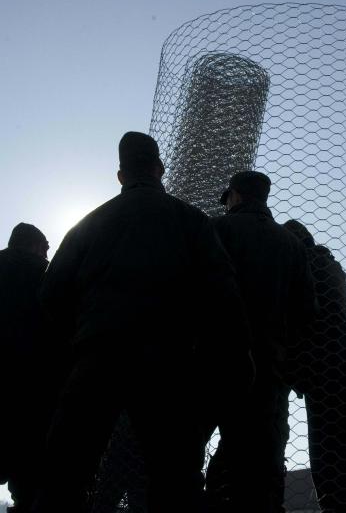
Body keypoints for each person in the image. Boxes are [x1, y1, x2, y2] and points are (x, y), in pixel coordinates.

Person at [33, 132, 247, 513]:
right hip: (167, 360)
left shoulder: (89, 224)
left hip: (98, 356)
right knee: (175, 476)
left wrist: (80, 341)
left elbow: (51, 295)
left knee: (66, 471)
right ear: (160, 169)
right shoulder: (193, 222)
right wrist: (228, 358)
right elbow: (225, 297)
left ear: (120, 175)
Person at [202, 171, 316, 513]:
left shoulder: (217, 231)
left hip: (214, 364)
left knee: (188, 456)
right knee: (264, 470)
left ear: (235, 196)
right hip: (270, 372)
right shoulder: (291, 245)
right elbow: (307, 313)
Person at [283, 219, 346, 513]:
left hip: (325, 376)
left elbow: (302, 319)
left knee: (330, 466)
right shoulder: (329, 265)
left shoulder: (307, 267)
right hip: (345, 369)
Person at [0, 224, 59, 513]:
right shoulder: (47, 276)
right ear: (35, 245)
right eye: (45, 246)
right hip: (35, 388)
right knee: (30, 479)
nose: (48, 252)